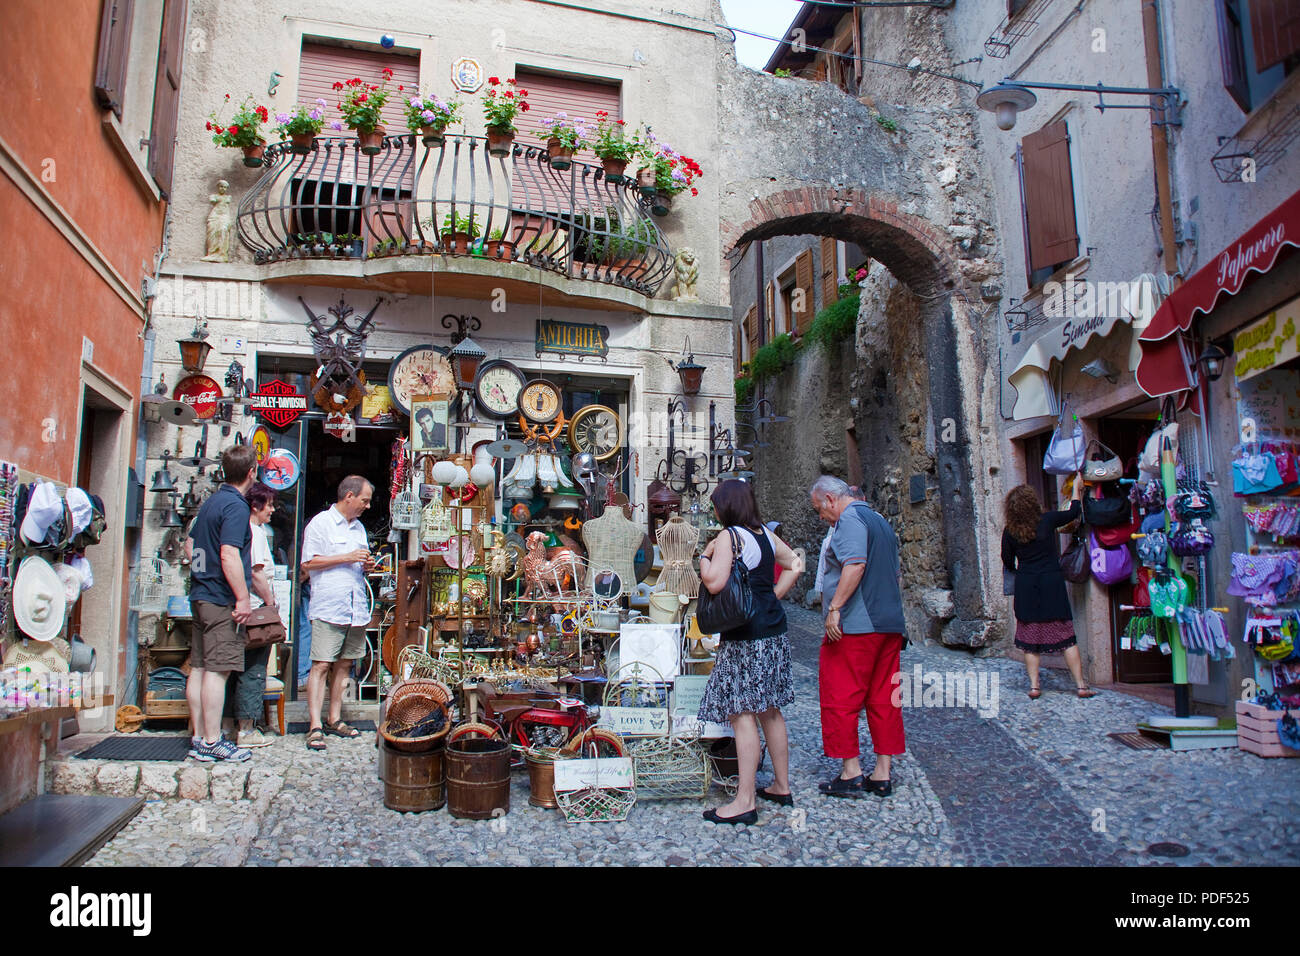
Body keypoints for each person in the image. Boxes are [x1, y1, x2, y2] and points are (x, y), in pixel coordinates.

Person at [696, 480, 804, 825]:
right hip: (773, 632)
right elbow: (796, 564)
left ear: (726, 507)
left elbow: (714, 581)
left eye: (716, 505)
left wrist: (704, 556)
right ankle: (781, 786)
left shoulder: (730, 537)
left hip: (745, 637)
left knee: (742, 714)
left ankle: (745, 801)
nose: (715, 511)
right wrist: (772, 595)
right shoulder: (765, 535)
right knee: (769, 711)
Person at [810, 475, 906, 798]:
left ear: (830, 500)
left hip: (858, 625)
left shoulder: (849, 520)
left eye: (819, 510)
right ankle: (882, 772)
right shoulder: (878, 519)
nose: (821, 517)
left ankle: (851, 771)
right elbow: (895, 572)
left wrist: (835, 608)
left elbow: (854, 565)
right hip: (889, 624)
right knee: (884, 697)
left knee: (840, 693)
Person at [184, 446, 258, 763]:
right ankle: (214, 740)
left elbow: (189, 545)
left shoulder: (211, 502)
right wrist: (242, 597)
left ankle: (200, 737)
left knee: (199, 668)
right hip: (219, 598)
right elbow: (229, 553)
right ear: (252, 472)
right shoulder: (236, 507)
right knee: (218, 671)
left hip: (200, 592)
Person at [1001, 478, 1097, 699]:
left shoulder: (1010, 531)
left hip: (1026, 585)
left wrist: (1021, 569)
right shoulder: (1048, 520)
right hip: (1051, 583)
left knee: (1030, 642)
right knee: (1066, 636)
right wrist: (1075, 489)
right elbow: (1073, 512)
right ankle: (1081, 686)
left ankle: (1035, 687)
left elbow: (1007, 559)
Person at [300, 475, 375, 751]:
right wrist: (347, 557)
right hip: (330, 605)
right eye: (364, 500)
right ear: (349, 497)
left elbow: (359, 561)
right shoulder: (321, 523)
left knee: (345, 664)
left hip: (354, 607)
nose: (367, 506)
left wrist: (366, 565)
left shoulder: (359, 529)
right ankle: (314, 726)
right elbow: (308, 563)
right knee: (321, 664)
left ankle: (334, 718)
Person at [221, 482, 280, 748]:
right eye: (269, 505)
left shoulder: (240, 529)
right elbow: (257, 573)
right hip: (255, 609)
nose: (273, 510)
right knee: (253, 669)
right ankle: (246, 729)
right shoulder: (254, 533)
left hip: (240, 608)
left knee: (232, 668)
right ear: (256, 506)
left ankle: (227, 726)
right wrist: (271, 603)